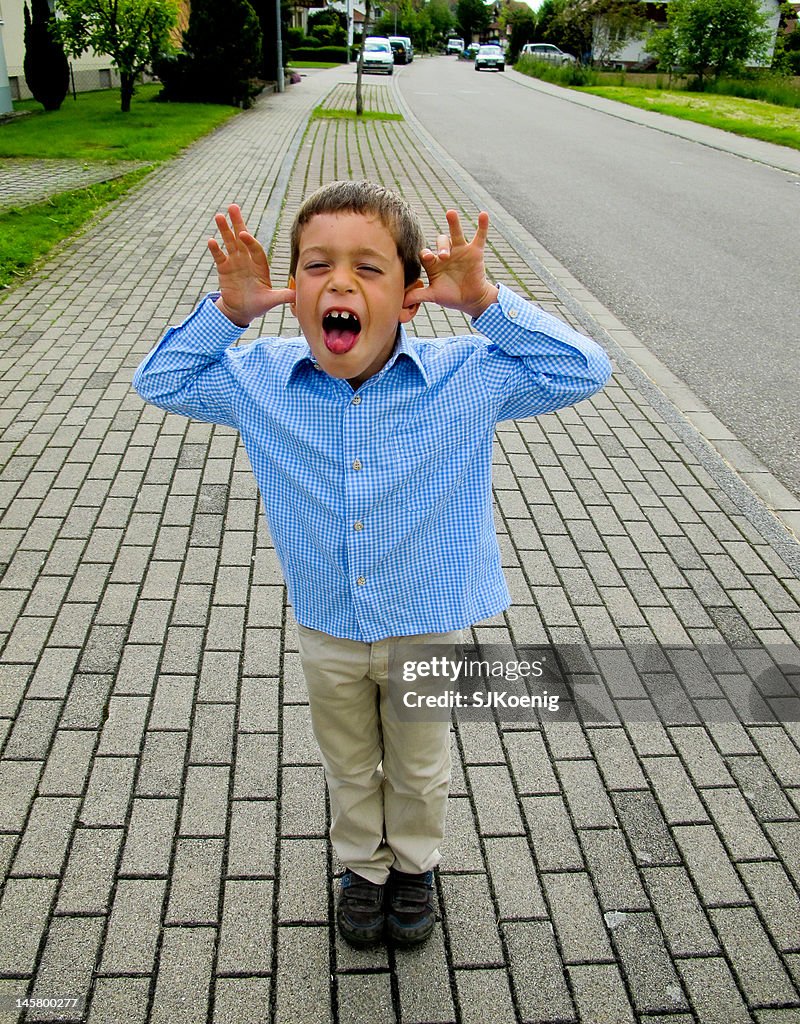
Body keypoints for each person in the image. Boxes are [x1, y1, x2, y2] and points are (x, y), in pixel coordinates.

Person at [133, 180, 612, 948]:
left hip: (427, 623)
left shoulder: (469, 374)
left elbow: (584, 370)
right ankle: (364, 868)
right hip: (327, 622)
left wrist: (485, 301)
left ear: (413, 294)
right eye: (316, 266)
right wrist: (230, 313)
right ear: (293, 292)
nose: (341, 283)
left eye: (369, 267)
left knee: (418, 767)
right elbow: (159, 380)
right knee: (349, 762)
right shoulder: (261, 381)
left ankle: (414, 865)